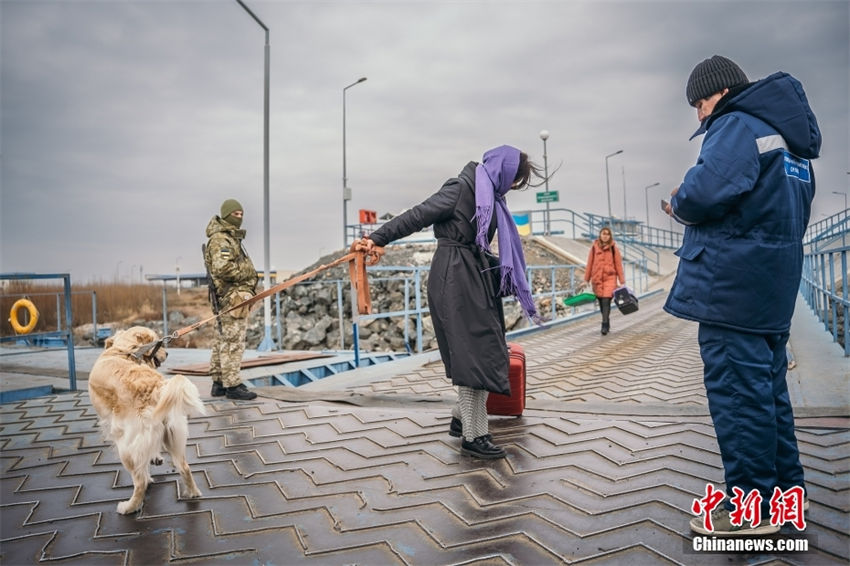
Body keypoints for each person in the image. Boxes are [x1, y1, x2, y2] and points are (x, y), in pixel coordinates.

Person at [663, 55, 821, 536]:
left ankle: (751, 511)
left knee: (738, 397)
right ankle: (787, 497)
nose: (699, 114)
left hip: (731, 287)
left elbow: (705, 192)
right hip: (771, 286)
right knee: (768, 394)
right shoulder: (789, 141)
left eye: (701, 101)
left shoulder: (734, 125)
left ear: (723, 92)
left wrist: (680, 198)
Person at [359, 145, 544, 459]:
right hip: (455, 277)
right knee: (474, 353)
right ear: (502, 171)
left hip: (471, 275)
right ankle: (474, 436)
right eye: (514, 179)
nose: (513, 186)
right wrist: (377, 238)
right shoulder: (461, 188)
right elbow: (417, 215)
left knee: (484, 348)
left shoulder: (489, 195)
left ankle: (462, 418)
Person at [204, 198, 258, 401]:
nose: (239, 218)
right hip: (230, 297)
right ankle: (233, 385)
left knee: (222, 340)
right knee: (233, 341)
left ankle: (219, 382)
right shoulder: (221, 239)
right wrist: (248, 273)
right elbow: (223, 267)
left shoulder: (229, 238)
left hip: (227, 297)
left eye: (241, 214)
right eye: (236, 214)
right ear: (226, 215)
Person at [582, 226, 625, 335]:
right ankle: (606, 320)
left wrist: (622, 281)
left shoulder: (614, 248)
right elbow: (589, 264)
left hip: (610, 279)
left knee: (606, 301)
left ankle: (604, 324)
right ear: (600, 235)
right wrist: (586, 279)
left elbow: (618, 265)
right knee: (601, 303)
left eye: (607, 234)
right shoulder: (594, 247)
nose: (605, 236)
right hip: (597, 279)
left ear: (610, 236)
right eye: (603, 234)